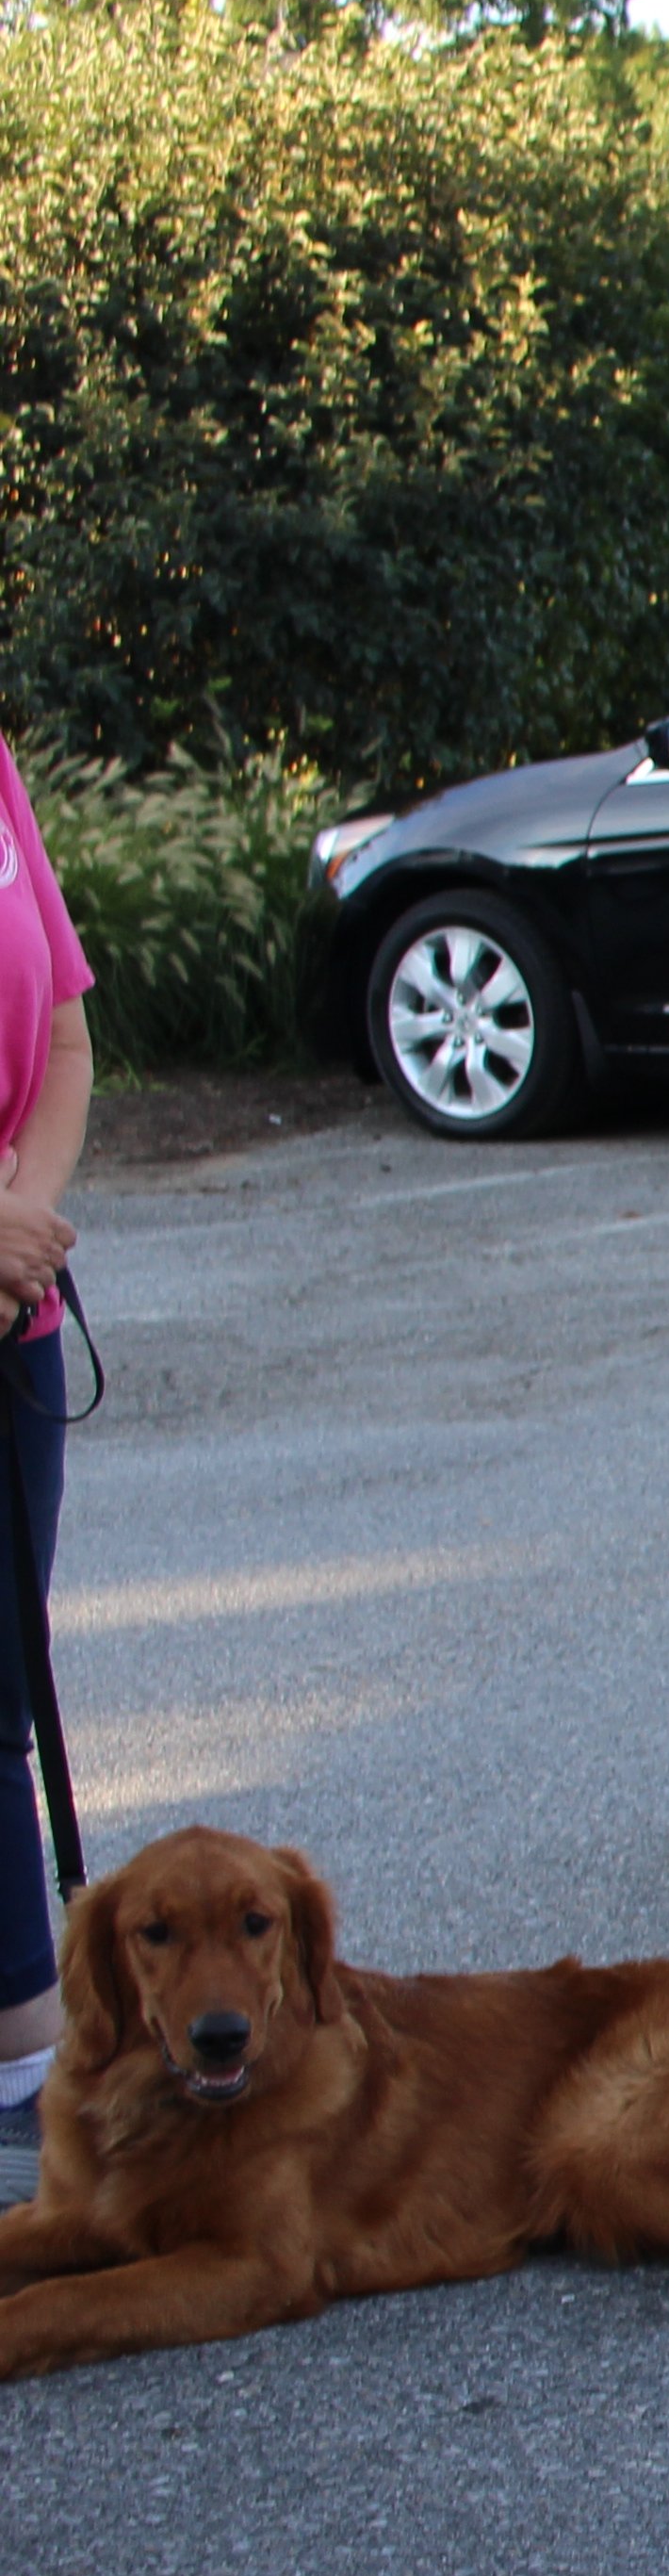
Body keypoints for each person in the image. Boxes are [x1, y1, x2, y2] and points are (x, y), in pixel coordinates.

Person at [0, 726, 91, 2127]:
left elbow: (66, 1029)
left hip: (14, 1313)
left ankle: (27, 2058)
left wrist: (22, 1233)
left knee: (1, 1696)